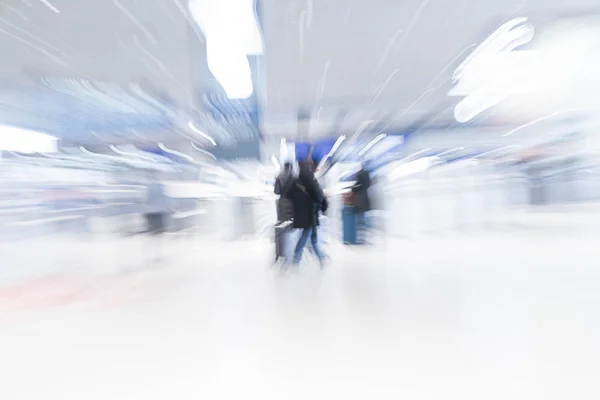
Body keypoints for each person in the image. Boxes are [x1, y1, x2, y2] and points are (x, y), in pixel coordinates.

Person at [288, 160, 328, 267]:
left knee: (312, 237)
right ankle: (296, 260)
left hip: (300, 213)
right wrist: (322, 206)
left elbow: (290, 197)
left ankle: (322, 258)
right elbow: (319, 197)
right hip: (311, 214)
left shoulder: (295, 181)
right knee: (306, 236)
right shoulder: (311, 180)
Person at [144, 171, 171, 264]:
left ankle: (150, 255)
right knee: (159, 236)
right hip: (159, 212)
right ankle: (158, 255)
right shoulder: (161, 186)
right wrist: (169, 209)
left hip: (150, 212)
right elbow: (165, 199)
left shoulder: (148, 187)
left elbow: (146, 200)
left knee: (151, 235)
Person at [352, 162, 371, 244]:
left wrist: (353, 188)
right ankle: (363, 238)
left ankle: (361, 239)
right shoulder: (367, 179)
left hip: (359, 201)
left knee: (359, 221)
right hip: (365, 201)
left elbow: (354, 189)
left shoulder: (359, 180)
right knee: (363, 220)